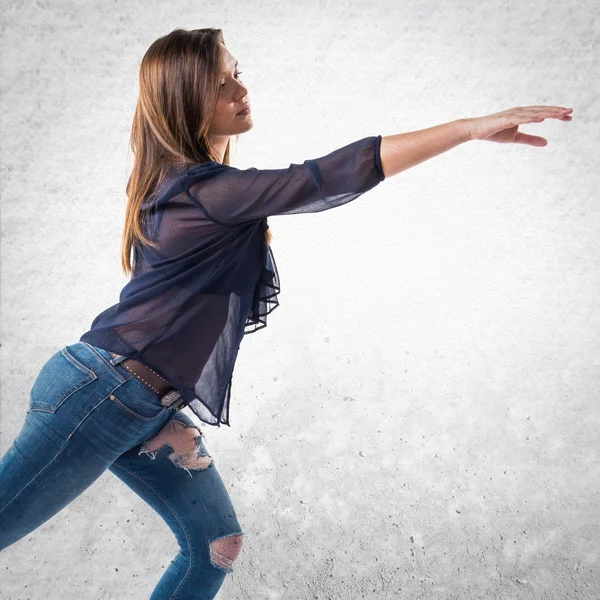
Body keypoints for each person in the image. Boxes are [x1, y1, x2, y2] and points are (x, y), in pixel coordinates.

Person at [0, 26, 573, 599]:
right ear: (184, 102)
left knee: (215, 548)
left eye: (236, 73)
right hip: (100, 395)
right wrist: (467, 129)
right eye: (219, 84)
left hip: (144, 406)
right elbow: (325, 176)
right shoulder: (205, 194)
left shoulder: (193, 184)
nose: (238, 90)